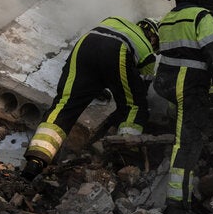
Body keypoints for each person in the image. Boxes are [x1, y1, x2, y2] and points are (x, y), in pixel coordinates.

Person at [21, 17, 160, 180]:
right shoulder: (148, 53)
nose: (155, 48)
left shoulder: (114, 20)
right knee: (135, 106)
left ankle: (36, 159)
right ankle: (124, 157)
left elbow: (99, 55)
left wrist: (95, 86)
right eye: (156, 44)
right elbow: (140, 89)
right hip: (117, 52)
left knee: (65, 104)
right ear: (153, 36)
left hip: (85, 44)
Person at [154, 0, 213, 214]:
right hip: (187, 87)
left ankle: (182, 199)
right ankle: (177, 205)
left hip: (167, 86)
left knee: (185, 137)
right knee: (186, 143)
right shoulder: (203, 17)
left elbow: (178, 55)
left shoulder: (167, 19)